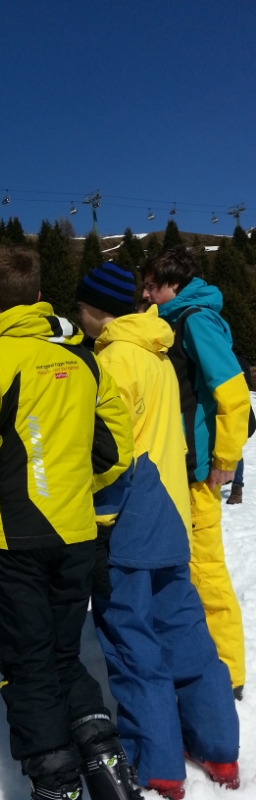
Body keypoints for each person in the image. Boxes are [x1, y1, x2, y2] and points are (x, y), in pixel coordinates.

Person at [0, 246, 139, 800]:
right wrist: (75, 486)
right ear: (38, 296)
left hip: (14, 538)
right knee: (62, 656)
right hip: (76, 531)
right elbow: (118, 449)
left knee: (28, 663)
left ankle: (57, 786)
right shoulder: (82, 359)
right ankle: (107, 765)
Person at [77, 263, 240, 800]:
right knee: (185, 631)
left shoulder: (111, 361)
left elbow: (109, 453)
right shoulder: (157, 352)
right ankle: (217, 746)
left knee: (131, 639)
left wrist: (98, 520)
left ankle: (157, 762)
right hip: (172, 508)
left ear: (94, 310)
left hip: (128, 516)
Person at [141, 248, 251, 699]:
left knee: (205, 569)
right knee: (186, 568)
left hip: (198, 473)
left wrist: (225, 460)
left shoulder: (195, 321)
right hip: (177, 468)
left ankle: (229, 669)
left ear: (175, 284)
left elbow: (234, 393)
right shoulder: (171, 321)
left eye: (153, 285)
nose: (146, 293)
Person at [226, 354, 254, 505]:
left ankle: (237, 487)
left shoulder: (239, 361)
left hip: (236, 412)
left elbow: (246, 386)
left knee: (234, 448)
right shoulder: (210, 357)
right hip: (212, 409)